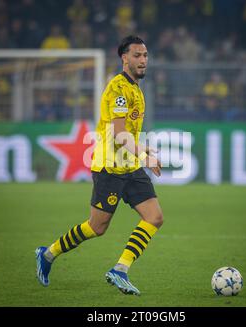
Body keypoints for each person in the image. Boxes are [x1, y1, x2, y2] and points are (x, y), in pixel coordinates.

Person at [35, 35, 163, 296]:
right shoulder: (118, 88)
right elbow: (118, 133)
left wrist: (143, 149)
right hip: (109, 168)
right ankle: (48, 253)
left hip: (129, 166)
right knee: (97, 227)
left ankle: (120, 269)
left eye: (146, 55)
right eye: (137, 55)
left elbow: (128, 131)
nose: (143, 60)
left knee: (154, 217)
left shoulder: (136, 89)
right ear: (124, 58)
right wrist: (144, 155)